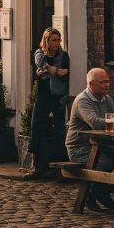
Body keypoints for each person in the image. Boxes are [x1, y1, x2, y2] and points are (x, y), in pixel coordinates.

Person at [65, 68, 114, 211]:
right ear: (91, 84)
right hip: (80, 148)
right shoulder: (82, 100)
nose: (106, 85)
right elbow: (95, 123)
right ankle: (93, 194)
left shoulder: (106, 98)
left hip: (101, 145)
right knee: (109, 162)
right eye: (102, 82)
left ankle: (101, 192)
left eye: (107, 81)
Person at [24, 27, 70, 180]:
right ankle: (38, 168)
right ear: (46, 41)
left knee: (59, 132)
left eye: (58, 40)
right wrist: (55, 71)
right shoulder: (39, 54)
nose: (57, 43)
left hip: (58, 98)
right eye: (53, 40)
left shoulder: (64, 56)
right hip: (43, 96)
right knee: (36, 128)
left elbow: (65, 75)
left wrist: (48, 71)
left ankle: (59, 169)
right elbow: (40, 69)